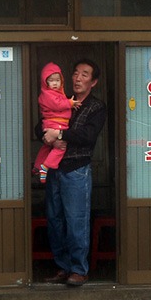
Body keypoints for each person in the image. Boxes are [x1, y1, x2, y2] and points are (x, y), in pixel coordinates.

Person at [35, 58, 107, 287]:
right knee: (55, 219)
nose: (78, 78)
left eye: (85, 74)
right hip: (54, 168)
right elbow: (40, 125)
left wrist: (59, 135)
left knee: (76, 220)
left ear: (93, 82)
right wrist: (47, 135)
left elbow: (87, 136)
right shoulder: (60, 98)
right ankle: (63, 266)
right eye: (76, 73)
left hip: (76, 170)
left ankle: (78, 269)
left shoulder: (96, 107)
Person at [33, 62, 80, 184]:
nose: (55, 83)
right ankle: (46, 166)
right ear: (45, 82)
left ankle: (37, 166)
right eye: (51, 80)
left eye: (58, 80)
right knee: (61, 147)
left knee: (47, 146)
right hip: (56, 124)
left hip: (52, 124)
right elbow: (57, 104)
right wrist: (70, 103)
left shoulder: (56, 94)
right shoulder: (47, 94)